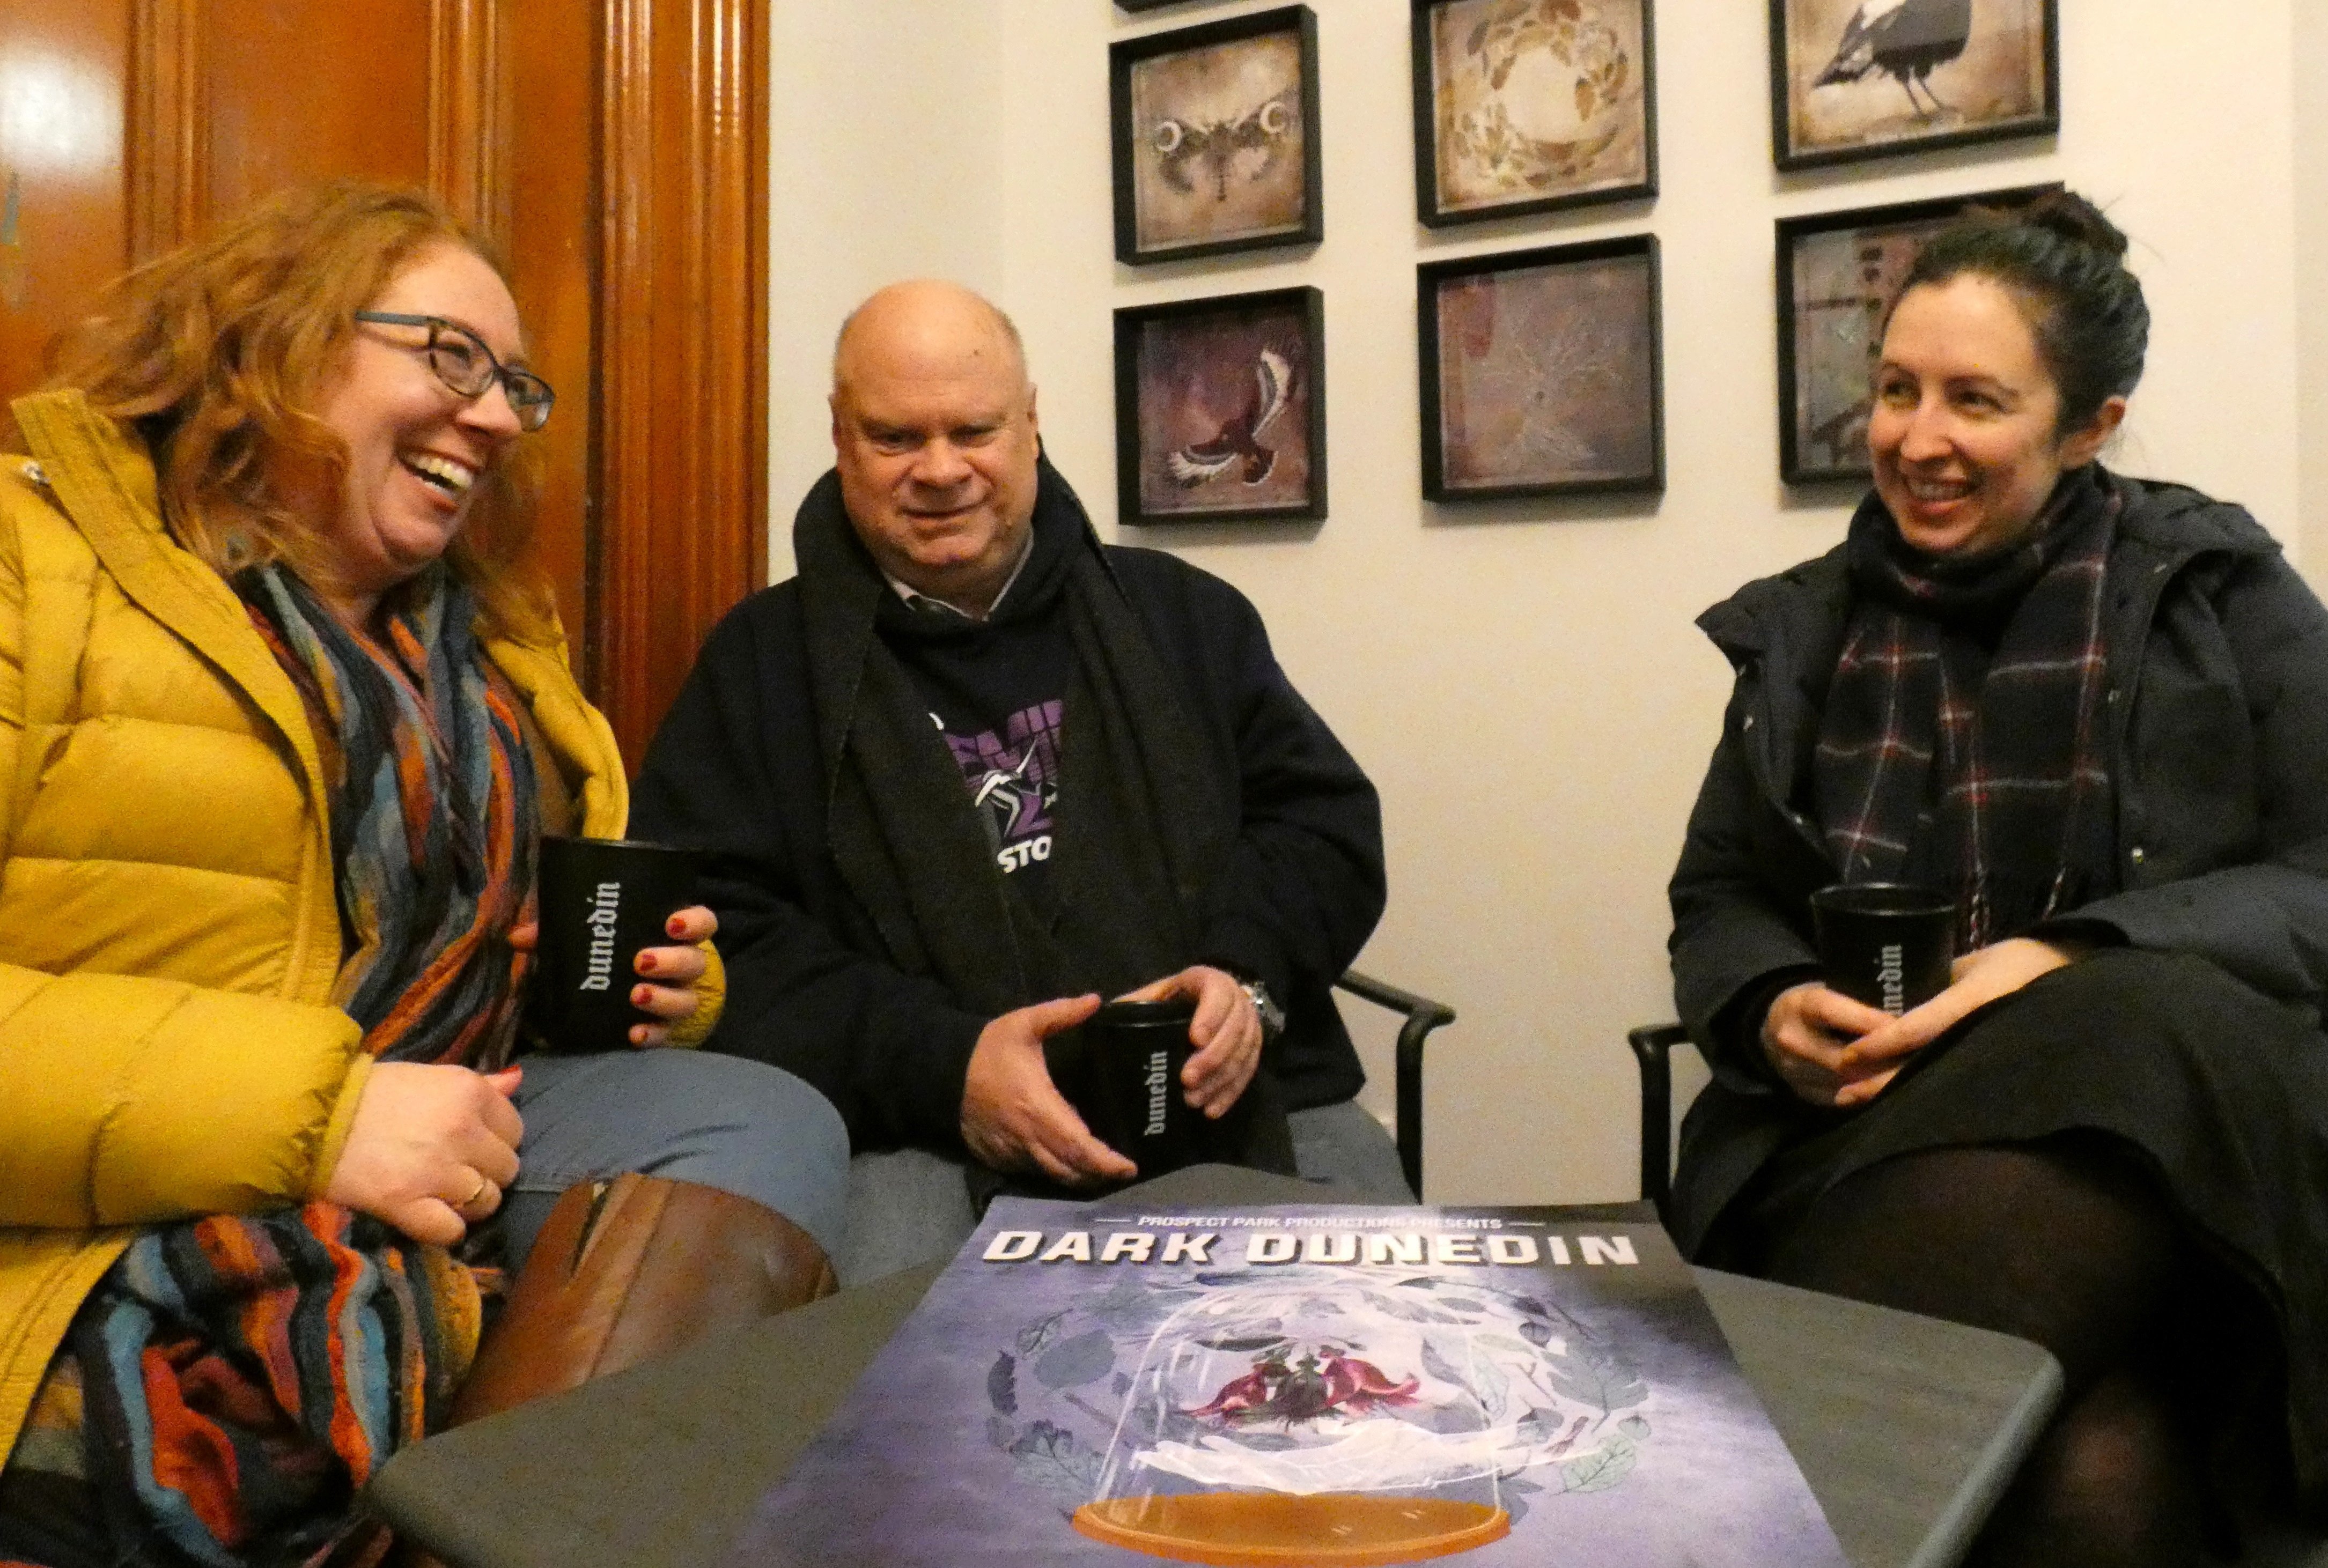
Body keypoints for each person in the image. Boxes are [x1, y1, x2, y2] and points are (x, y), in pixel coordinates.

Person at [0, 182, 849, 1568]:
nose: (501, 415)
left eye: (515, 381)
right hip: (138, 1180)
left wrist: (657, 990)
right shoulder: (36, 566)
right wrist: (319, 1116)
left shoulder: (498, 643)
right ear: (277, 333)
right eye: (451, 357)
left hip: (449, 1126)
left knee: (754, 1115)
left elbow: (497, 974)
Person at [1667, 191, 2328, 1567]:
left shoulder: (2219, 591)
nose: (1917, 440)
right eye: (1897, 390)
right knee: (2092, 1461)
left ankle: (1733, 1512)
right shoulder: (1803, 626)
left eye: (1976, 399)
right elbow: (1720, 893)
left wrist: (2071, 955)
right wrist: (1769, 1003)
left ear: (2091, 425)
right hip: (1851, 1147)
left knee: (2137, 1017)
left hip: (2174, 1184)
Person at [631, 280, 1393, 1278]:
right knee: (894, 1395)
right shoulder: (757, 667)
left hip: (1232, 1092)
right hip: (916, 1129)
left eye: (974, 430)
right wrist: (947, 1068)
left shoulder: (1185, 616)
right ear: (840, 438)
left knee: (1383, 1354)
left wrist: (1246, 978)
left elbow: (1323, 831)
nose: (941, 471)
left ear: (1031, 425)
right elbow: (722, 942)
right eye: (896, 437)